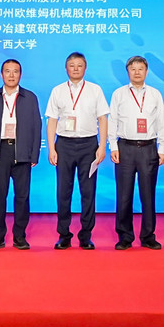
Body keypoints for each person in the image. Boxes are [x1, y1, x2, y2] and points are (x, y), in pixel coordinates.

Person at [46, 52, 109, 249]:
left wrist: (102, 146)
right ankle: (64, 235)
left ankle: (85, 235)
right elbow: (52, 121)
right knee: (63, 192)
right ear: (66, 68)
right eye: (72, 65)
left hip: (88, 145)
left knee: (88, 192)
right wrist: (52, 148)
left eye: (79, 65)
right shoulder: (58, 90)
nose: (75, 69)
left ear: (85, 68)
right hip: (64, 145)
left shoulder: (95, 90)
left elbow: (102, 119)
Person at [0, 58, 41, 249]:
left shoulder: (30, 97)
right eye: (8, 71)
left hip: (22, 150)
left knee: (22, 197)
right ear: (1, 74)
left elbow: (37, 127)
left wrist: (34, 155)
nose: (11, 75)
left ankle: (20, 236)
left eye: (15, 71)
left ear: (21, 75)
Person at [109, 55, 164, 249]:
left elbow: (162, 122)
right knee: (123, 195)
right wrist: (113, 146)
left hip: (148, 148)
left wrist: (161, 148)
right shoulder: (119, 94)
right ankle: (125, 237)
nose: (136, 72)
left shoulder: (155, 94)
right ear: (127, 72)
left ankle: (148, 236)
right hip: (125, 148)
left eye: (140, 69)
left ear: (146, 72)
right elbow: (112, 121)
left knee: (148, 195)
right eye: (133, 69)